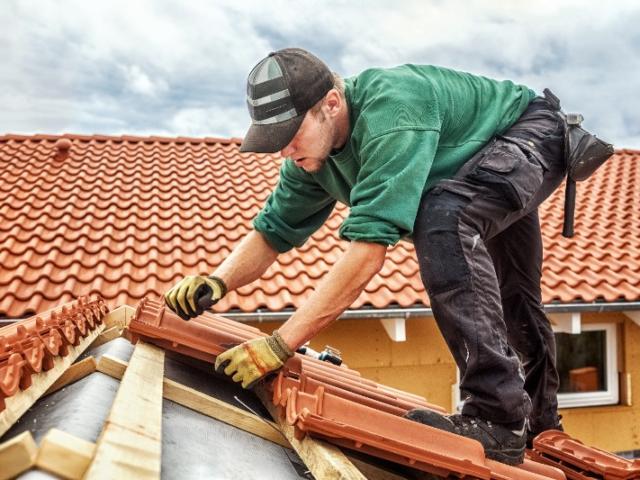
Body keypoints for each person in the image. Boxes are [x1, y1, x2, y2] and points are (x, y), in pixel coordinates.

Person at [164, 47, 566, 465]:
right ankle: (541, 424)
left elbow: (367, 254)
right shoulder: (311, 160)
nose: (284, 151)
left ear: (331, 104)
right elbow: (272, 232)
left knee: (443, 220)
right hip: (482, 160)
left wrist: (279, 345)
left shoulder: (391, 112)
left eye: (289, 133)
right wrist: (218, 280)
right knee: (514, 292)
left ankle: (498, 416)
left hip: (530, 131)